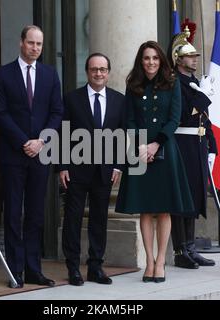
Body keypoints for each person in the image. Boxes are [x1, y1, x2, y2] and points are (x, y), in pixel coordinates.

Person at [0, 25, 64, 288]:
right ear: (21, 43)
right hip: (13, 154)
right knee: (12, 214)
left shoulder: (50, 74)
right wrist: (24, 141)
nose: (35, 48)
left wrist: (41, 141)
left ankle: (34, 269)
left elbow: (57, 112)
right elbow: (0, 113)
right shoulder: (3, 74)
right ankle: (15, 272)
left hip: (40, 153)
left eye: (39, 44)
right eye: (31, 43)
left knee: (35, 214)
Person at [115, 41, 195, 283]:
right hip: (138, 150)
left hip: (164, 149)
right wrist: (140, 145)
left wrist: (155, 144)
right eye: (146, 58)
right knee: (145, 208)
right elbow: (128, 119)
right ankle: (148, 261)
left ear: (161, 61)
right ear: (141, 61)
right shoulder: (133, 84)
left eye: (155, 58)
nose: (150, 62)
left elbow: (174, 119)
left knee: (163, 209)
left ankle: (161, 261)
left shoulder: (172, 83)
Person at [59, 53, 126, 286]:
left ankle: (96, 267)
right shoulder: (71, 99)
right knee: (73, 219)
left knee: (99, 219)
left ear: (108, 72)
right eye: (94, 69)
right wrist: (62, 166)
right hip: (76, 171)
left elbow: (121, 135)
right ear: (87, 72)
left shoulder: (119, 100)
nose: (98, 73)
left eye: (103, 69)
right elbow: (62, 134)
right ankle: (73, 268)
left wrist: (118, 165)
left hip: (105, 171)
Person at [170, 27, 217, 269]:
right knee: (182, 198)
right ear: (178, 58)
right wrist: (204, 96)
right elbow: (184, 117)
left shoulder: (194, 82)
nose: (195, 59)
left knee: (194, 197)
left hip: (197, 144)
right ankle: (180, 251)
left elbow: (203, 118)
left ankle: (190, 246)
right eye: (190, 56)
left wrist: (213, 147)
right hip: (182, 144)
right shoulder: (175, 83)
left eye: (196, 55)